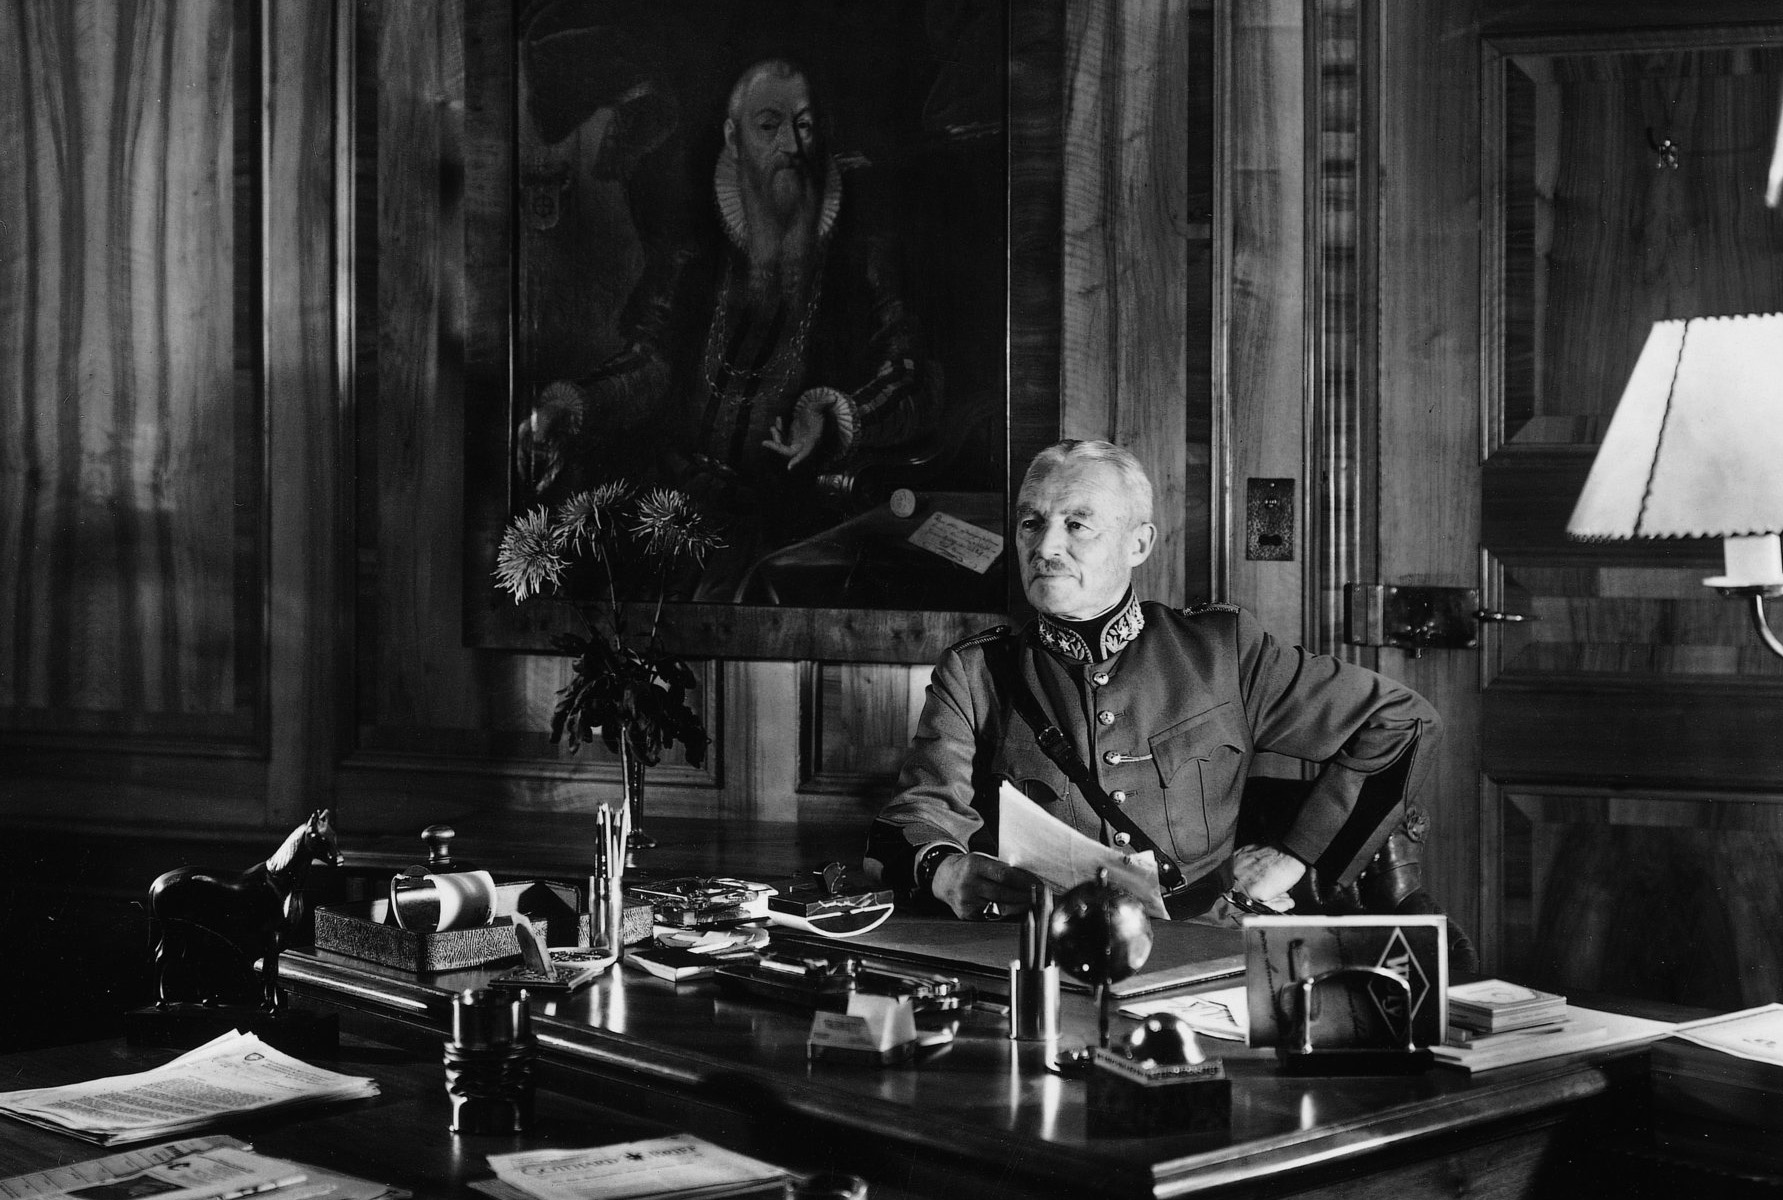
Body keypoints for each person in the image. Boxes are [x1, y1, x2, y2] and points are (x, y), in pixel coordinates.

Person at [864, 440, 1442, 924]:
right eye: (1031, 523)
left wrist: (1295, 858)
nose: (1044, 547)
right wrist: (944, 873)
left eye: (1077, 525)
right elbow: (914, 817)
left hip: (1204, 946)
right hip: (1048, 950)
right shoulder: (977, 672)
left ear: (1137, 544)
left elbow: (1403, 720)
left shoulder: (1223, 652)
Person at [515, 57, 952, 601]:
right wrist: (573, 403)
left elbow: (914, 375)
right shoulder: (699, 235)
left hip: (786, 513)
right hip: (672, 495)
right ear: (733, 136)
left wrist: (836, 415)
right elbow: (652, 361)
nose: (791, 144)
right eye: (769, 127)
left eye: (806, 125)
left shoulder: (863, 239)